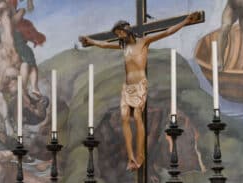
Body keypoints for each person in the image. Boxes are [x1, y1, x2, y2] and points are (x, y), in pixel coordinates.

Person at [79, 11, 202, 171]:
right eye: (117, 34)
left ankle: (140, 156)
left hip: (139, 86)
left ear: (127, 29)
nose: (120, 36)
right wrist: (91, 41)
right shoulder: (123, 47)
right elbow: (104, 44)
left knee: (137, 116)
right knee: (124, 119)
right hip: (127, 87)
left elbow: (166, 32)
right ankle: (131, 158)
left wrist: (185, 22)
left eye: (121, 32)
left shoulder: (143, 42)